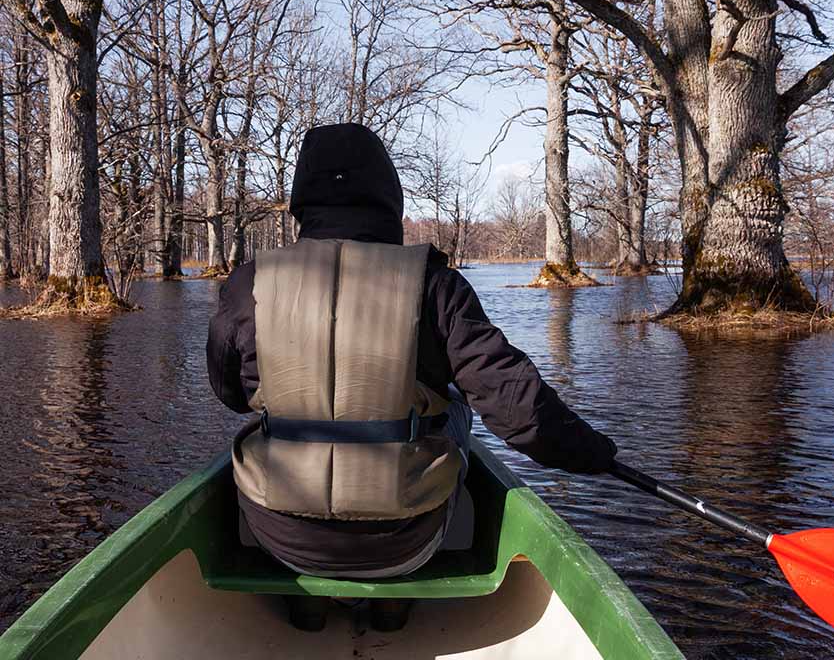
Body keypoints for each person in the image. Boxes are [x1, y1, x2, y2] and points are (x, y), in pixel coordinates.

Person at [207, 122, 617, 579]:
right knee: (459, 404)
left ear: (302, 198)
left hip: (278, 536)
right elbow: (518, 409)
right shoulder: (435, 283)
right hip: (405, 540)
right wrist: (591, 451)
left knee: (272, 408)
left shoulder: (249, 283)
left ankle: (307, 612)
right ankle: (394, 605)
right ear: (388, 195)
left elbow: (230, 393)